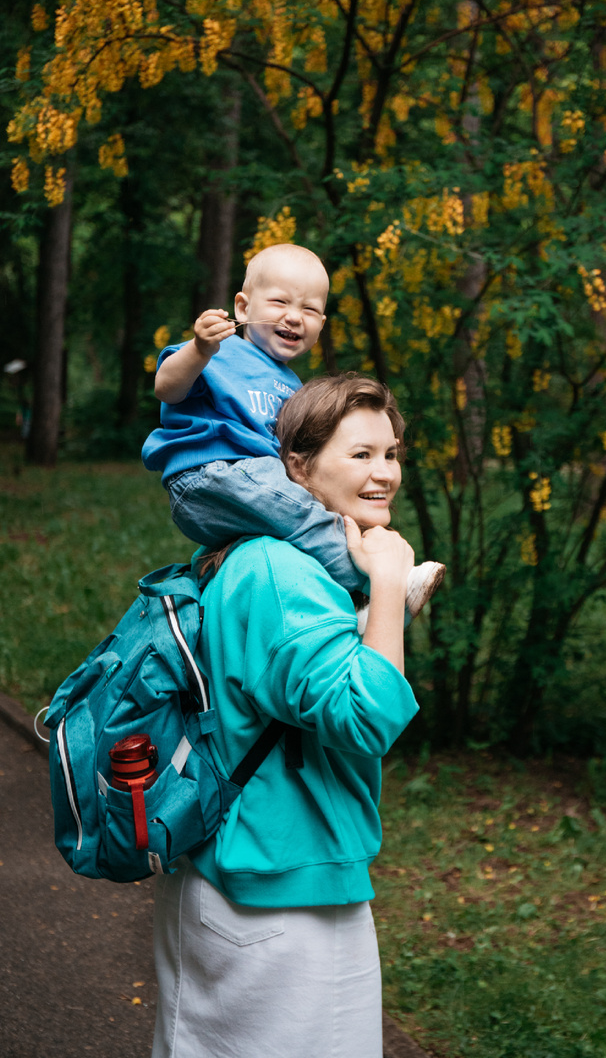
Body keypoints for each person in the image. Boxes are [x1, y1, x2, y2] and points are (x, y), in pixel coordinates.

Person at [151, 374, 420, 1058]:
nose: (383, 473)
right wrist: (389, 581)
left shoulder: (248, 557)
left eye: (390, 454)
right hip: (285, 901)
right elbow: (364, 718)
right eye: (360, 454)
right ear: (296, 466)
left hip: (235, 876)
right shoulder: (282, 573)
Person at [142, 242, 444, 617]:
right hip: (214, 471)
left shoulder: (293, 385)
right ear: (242, 308)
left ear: (321, 324)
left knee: (308, 517)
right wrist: (200, 349)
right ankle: (383, 584)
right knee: (306, 516)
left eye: (310, 309)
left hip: (249, 483)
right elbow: (166, 387)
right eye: (280, 303)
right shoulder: (221, 353)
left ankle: (356, 606)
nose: (294, 317)